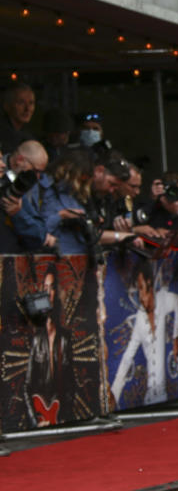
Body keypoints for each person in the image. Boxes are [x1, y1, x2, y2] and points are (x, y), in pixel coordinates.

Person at [111, 259, 178, 406]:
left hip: (167, 392)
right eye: (138, 290)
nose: (141, 296)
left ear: (150, 285)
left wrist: (176, 338)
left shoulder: (163, 299)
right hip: (151, 396)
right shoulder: (140, 319)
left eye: (143, 288)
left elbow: (177, 302)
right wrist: (114, 392)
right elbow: (127, 358)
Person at [24, 266, 74, 427]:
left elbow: (71, 386)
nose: (48, 293)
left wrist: (65, 415)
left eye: (52, 288)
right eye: (45, 288)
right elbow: (27, 387)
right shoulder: (36, 339)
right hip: (40, 417)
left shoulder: (65, 338)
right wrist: (35, 420)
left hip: (59, 416)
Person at [0, 140, 49, 252]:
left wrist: (17, 213)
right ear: (20, 159)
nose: (2, 165)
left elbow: (39, 235)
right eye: (35, 171)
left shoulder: (11, 192)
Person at [0, 82, 36, 153]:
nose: (27, 109)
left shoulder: (29, 137)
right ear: (7, 106)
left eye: (31, 103)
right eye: (21, 102)